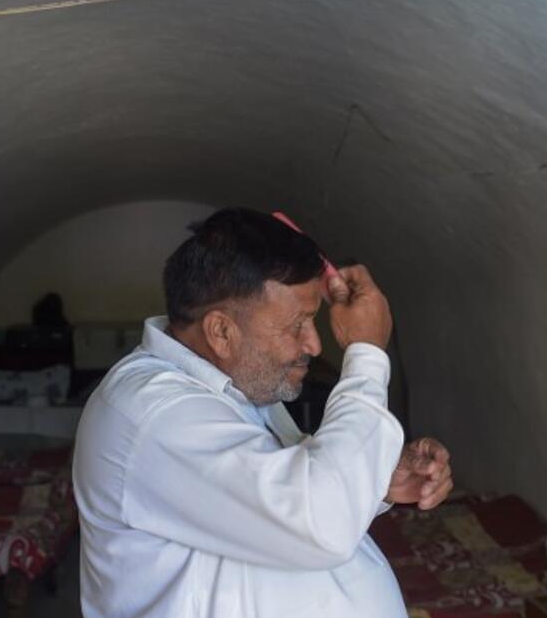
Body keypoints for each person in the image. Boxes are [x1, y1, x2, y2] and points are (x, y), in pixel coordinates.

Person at [73, 207, 454, 618]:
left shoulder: (228, 385)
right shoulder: (153, 414)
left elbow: (278, 493)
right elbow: (320, 522)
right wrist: (367, 355)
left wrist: (375, 479)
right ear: (221, 332)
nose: (313, 345)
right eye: (298, 325)